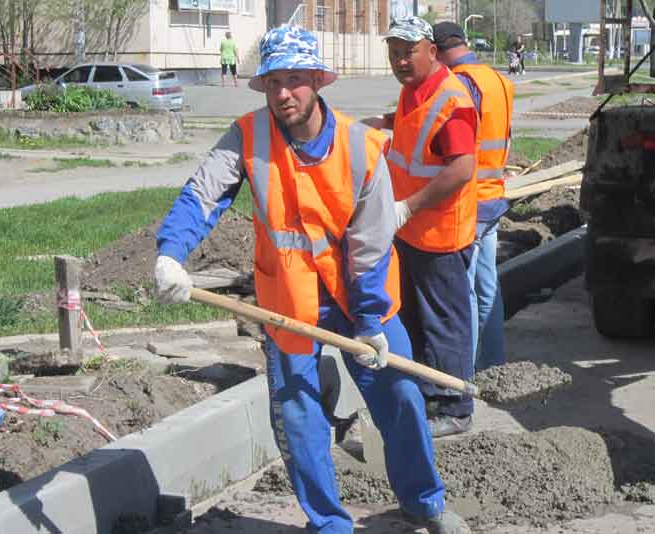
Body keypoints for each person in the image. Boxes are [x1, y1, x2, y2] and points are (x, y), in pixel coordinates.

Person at [154, 25, 470, 534]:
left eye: (295, 79)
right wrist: (171, 253)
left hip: (361, 297)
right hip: (288, 303)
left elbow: (369, 244)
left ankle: (424, 503)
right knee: (299, 417)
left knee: (402, 398)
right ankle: (330, 526)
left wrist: (368, 322)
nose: (283, 93)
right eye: (274, 81)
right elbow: (202, 194)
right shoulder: (248, 136)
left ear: (318, 81)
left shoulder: (360, 147)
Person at [362, 17, 478, 438]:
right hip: (411, 230)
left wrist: (407, 207)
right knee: (415, 317)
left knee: (444, 323)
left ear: (431, 50)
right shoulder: (415, 91)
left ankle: (454, 407)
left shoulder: (452, 99)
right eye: (393, 52)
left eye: (407, 51)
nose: (399, 60)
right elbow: (415, 131)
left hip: (440, 232)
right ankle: (427, 395)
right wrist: (387, 121)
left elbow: (463, 169)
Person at [433, 21, 514, 372]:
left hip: (469, 203)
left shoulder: (460, 84)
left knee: (460, 297)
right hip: (493, 195)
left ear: (436, 51)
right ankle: (492, 365)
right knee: (487, 289)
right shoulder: (495, 79)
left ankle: (460, 376)